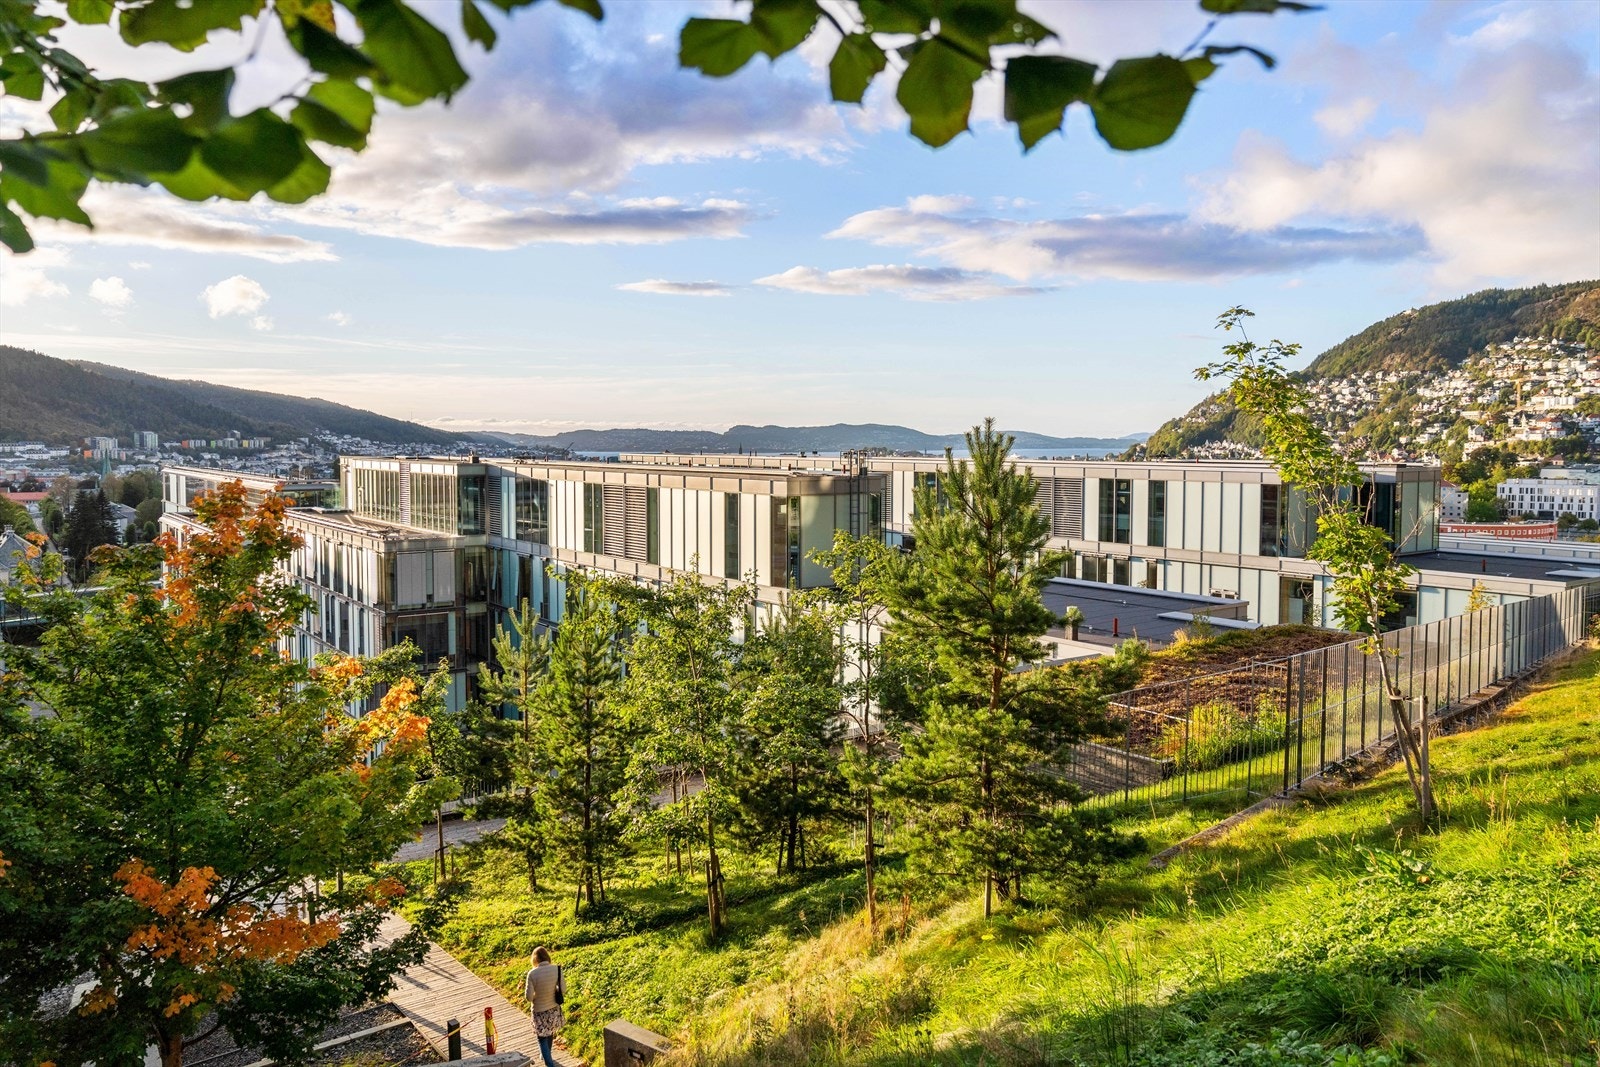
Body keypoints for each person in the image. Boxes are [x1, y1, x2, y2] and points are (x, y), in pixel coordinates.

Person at [524, 945, 566, 1067]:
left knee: (541, 1037)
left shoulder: (532, 974)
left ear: (535, 959)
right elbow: (563, 989)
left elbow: (529, 997)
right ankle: (545, 1054)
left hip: (539, 1010)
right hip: (553, 1008)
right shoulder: (557, 969)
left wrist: (538, 995)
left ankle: (549, 1063)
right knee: (550, 1032)